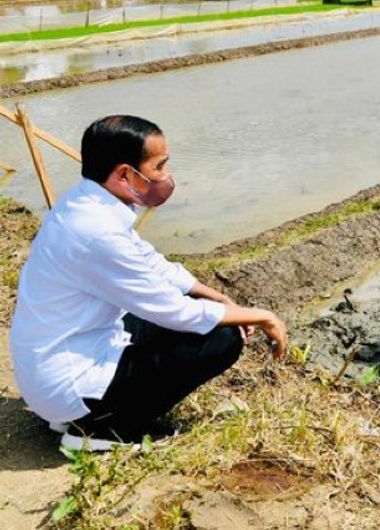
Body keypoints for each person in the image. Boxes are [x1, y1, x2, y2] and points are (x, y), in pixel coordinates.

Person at [9, 115, 289, 452]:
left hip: (58, 359)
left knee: (206, 317)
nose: (165, 177)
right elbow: (176, 312)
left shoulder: (85, 203)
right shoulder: (97, 232)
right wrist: (260, 316)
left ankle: (84, 413)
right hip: (65, 379)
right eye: (159, 167)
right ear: (126, 174)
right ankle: (103, 428)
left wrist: (220, 298)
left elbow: (150, 262)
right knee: (222, 337)